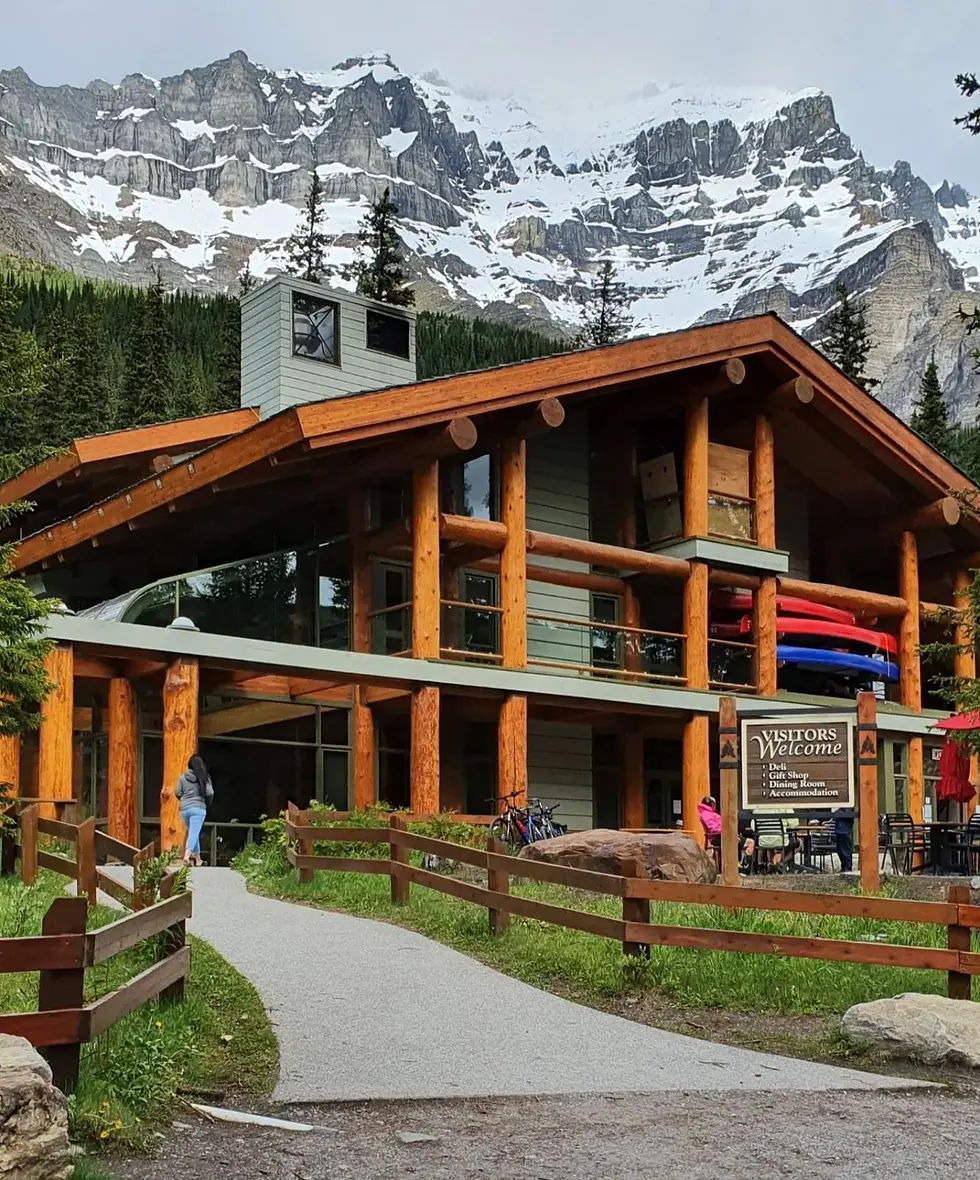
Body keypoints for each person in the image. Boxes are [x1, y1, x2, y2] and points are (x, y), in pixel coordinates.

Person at [175, 754, 213, 867]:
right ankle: (187, 857)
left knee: (193, 832)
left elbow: (177, 792)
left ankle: (198, 859)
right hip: (198, 808)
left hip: (184, 810)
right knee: (193, 833)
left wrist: (184, 800)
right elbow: (210, 792)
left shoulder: (182, 777)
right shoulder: (204, 777)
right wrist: (207, 802)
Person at [832, 806, 855, 873]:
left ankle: (847, 868)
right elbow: (834, 815)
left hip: (845, 830)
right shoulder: (841, 808)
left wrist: (838, 813)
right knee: (840, 850)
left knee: (845, 850)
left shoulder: (849, 807)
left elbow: (848, 816)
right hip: (839, 830)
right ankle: (844, 867)